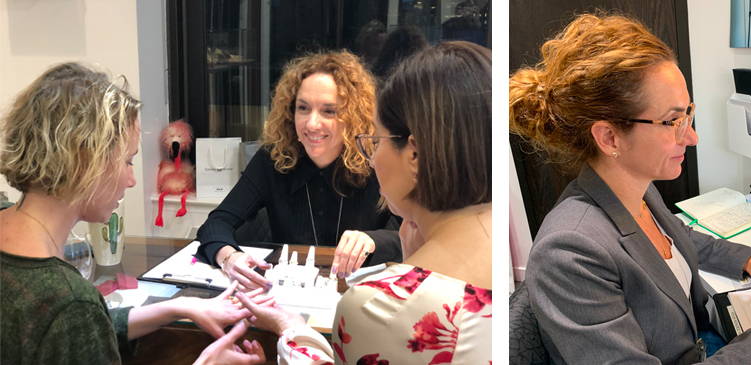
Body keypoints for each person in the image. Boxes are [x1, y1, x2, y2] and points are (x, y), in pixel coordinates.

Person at [510, 14, 751, 364]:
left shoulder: (635, 190)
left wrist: (748, 261)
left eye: (688, 115)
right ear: (609, 137)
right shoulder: (570, 253)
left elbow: (675, 237)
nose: (692, 136)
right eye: (672, 121)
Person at [235, 41, 493, 364]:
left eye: (375, 140)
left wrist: (289, 328)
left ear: (413, 154)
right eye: (303, 108)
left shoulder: (375, 306)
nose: (372, 156)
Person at [0, 62, 267, 364]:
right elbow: (74, 324)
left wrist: (179, 307)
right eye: (127, 161)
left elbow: (80, 333)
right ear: (85, 161)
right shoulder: (68, 302)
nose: (132, 180)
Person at [195, 51, 402, 289]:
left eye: (329, 111)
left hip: (358, 295)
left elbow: (419, 235)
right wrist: (230, 257)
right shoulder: (272, 159)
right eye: (303, 108)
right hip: (287, 294)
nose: (312, 124)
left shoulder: (376, 160)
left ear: (353, 116)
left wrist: (373, 240)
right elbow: (216, 224)